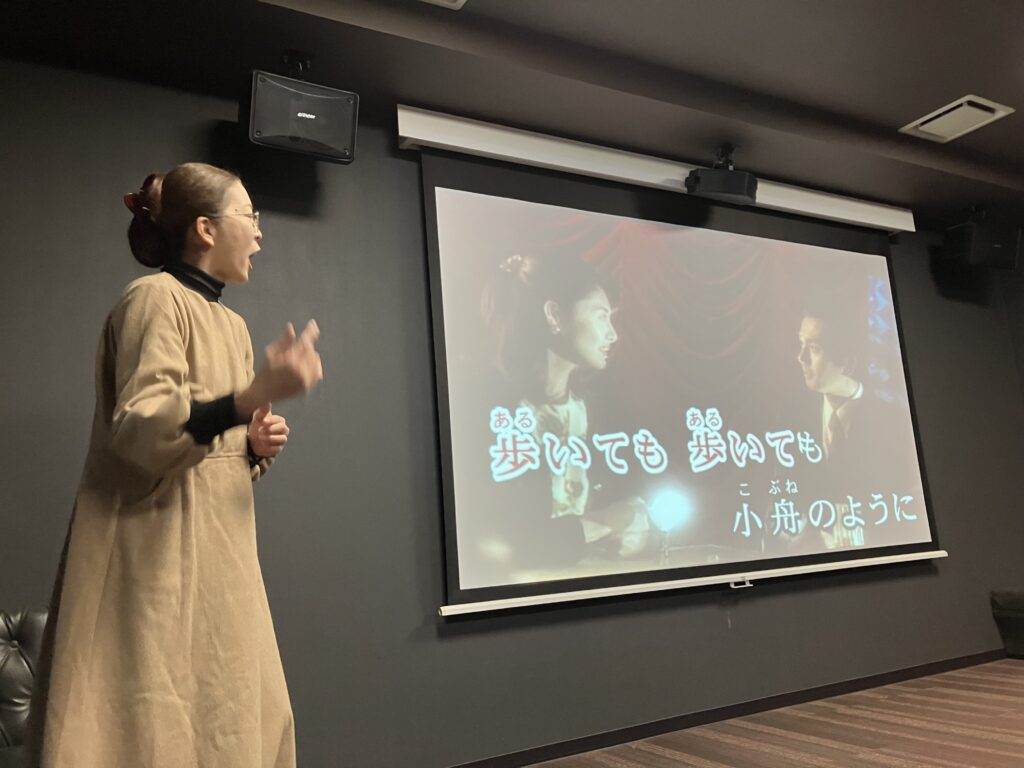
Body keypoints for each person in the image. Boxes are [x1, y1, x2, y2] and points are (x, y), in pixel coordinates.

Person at [28, 163, 323, 768]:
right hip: (150, 566)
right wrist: (247, 399)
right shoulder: (153, 299)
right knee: (144, 729)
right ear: (205, 229)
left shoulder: (234, 327)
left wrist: (253, 445)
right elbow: (142, 428)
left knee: (232, 720)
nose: (259, 232)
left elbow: (213, 444)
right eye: (249, 215)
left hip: (222, 564)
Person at [469, 252, 648, 580]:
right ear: (555, 316)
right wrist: (603, 523)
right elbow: (505, 542)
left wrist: (632, 527)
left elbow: (625, 511)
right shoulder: (490, 413)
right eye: (601, 316)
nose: (613, 334)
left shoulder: (598, 410)